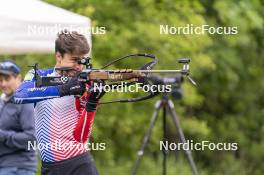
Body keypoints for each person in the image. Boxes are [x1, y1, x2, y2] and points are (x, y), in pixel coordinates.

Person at [13, 30, 104, 175]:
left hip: (80, 163)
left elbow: (81, 137)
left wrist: (91, 104)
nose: (79, 66)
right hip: (50, 167)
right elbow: (19, 96)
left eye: (82, 61)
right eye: (74, 60)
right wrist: (63, 89)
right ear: (58, 56)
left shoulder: (84, 83)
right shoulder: (39, 76)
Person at [0, 61, 37, 175]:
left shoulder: (25, 102)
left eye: (7, 79)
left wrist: (3, 135)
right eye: (0, 80)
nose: (3, 84)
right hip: (4, 165)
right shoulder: (3, 101)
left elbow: (32, 138)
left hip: (18, 168)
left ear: (18, 78)